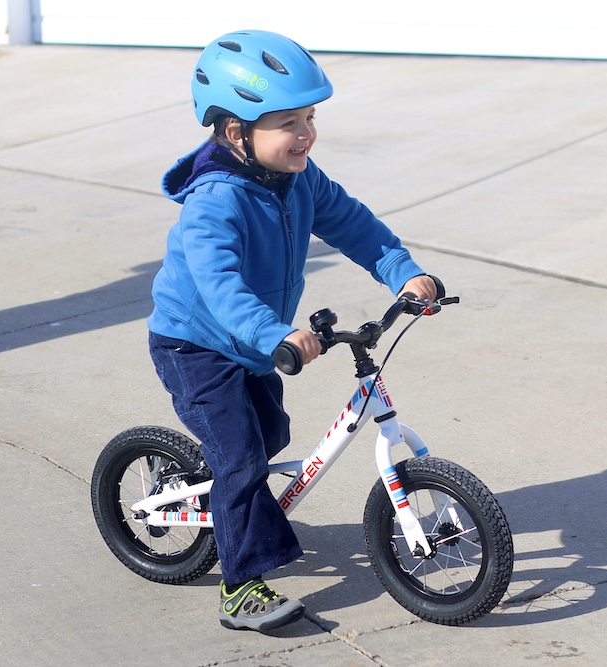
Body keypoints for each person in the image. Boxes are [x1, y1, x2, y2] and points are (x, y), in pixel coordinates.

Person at [147, 29, 437, 632]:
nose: (306, 133)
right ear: (236, 133)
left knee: (270, 433)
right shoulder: (212, 203)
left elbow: (354, 225)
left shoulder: (300, 177)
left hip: (256, 344)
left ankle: (224, 500)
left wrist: (404, 275)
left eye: (309, 117)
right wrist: (276, 332)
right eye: (288, 123)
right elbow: (218, 285)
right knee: (242, 455)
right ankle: (240, 589)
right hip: (195, 344)